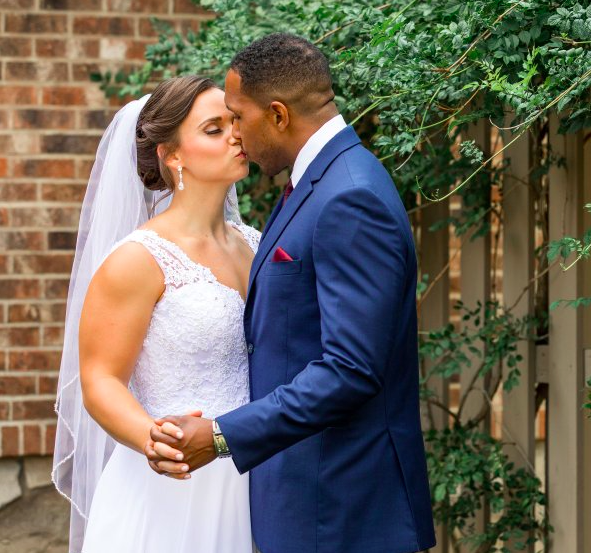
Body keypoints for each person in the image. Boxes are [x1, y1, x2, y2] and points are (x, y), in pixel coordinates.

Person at [147, 33, 437, 553]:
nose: (235, 132)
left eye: (238, 116)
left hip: (344, 513)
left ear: (278, 115)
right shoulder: (316, 183)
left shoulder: (348, 197)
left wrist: (219, 436)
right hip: (309, 503)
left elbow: (350, 370)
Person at [51, 75, 259, 553]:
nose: (235, 135)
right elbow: (100, 379)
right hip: (173, 481)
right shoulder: (138, 258)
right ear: (172, 154)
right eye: (213, 128)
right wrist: (155, 439)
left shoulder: (256, 243)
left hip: (250, 471)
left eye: (234, 122)